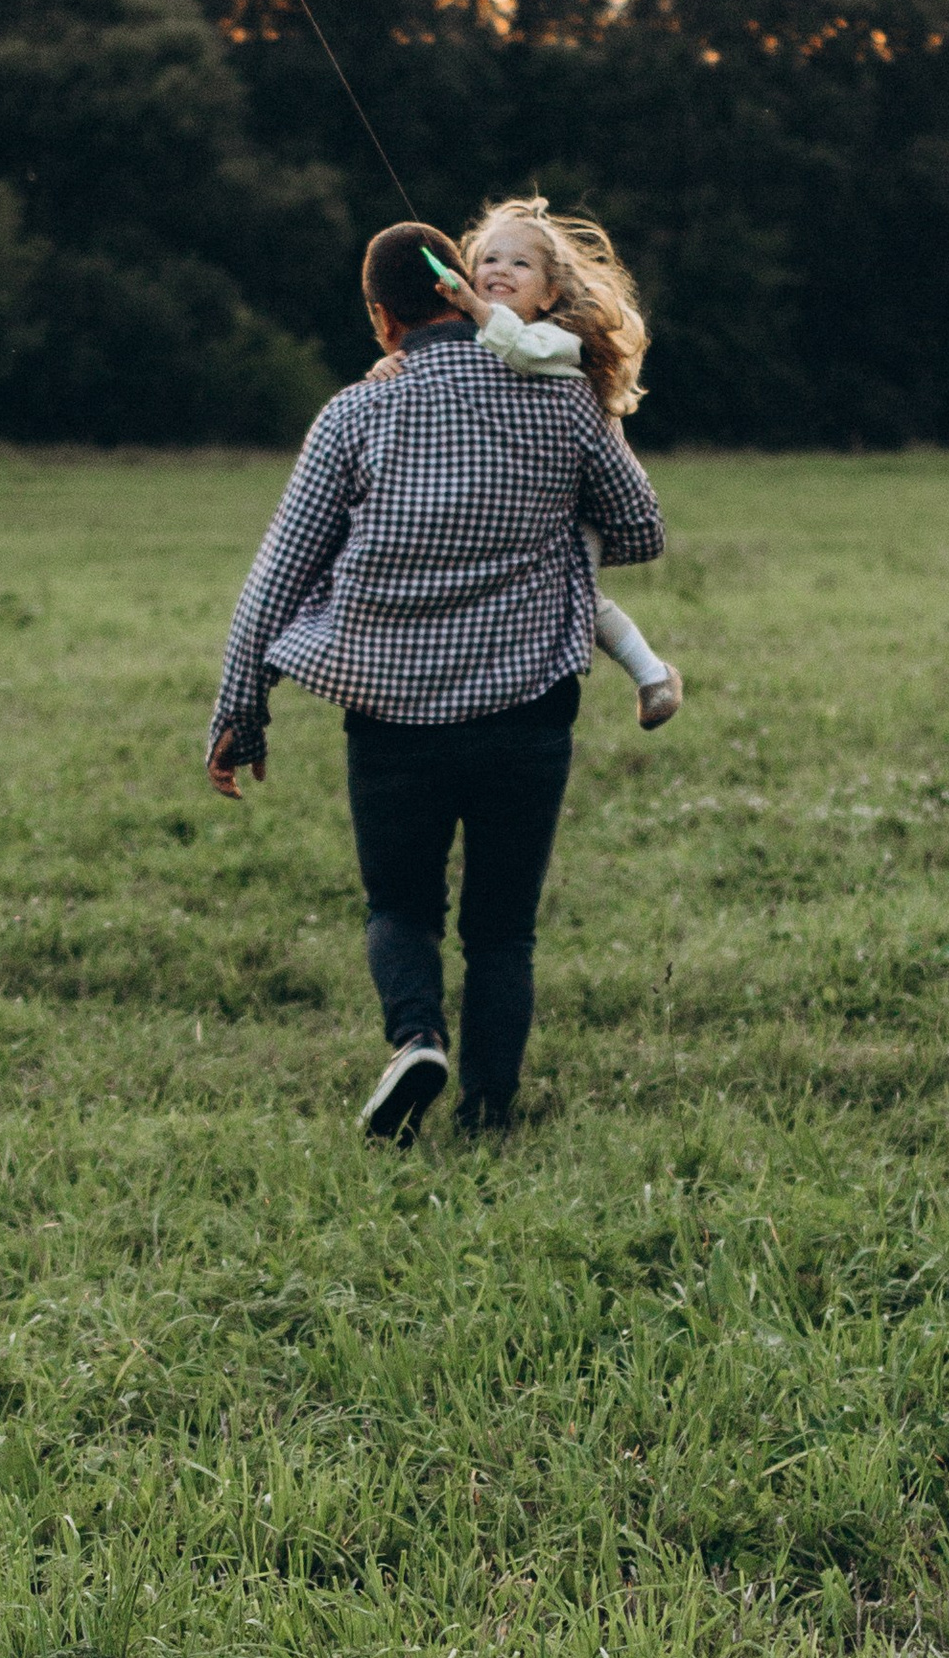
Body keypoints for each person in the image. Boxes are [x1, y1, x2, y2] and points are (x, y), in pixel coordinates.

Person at [206, 210, 666, 1140]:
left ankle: (416, 1040)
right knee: (503, 931)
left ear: (383, 319)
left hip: (390, 716)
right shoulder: (566, 399)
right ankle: (488, 1118)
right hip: (527, 713)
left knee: (400, 907)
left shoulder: (355, 412)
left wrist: (239, 713)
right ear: (461, 289)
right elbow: (642, 529)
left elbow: (277, 578)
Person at [387, 197, 682, 732]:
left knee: (578, 594)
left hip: (580, 501)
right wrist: (392, 363)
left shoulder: (554, 341)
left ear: (549, 295)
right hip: (522, 506)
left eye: (520, 263)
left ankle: (653, 675)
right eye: (489, 260)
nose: (501, 269)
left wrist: (473, 306)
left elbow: (518, 350)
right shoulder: (476, 340)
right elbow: (445, 365)